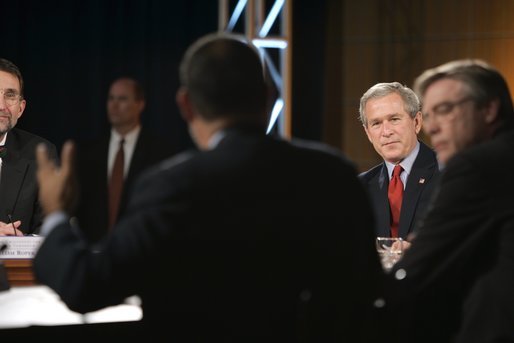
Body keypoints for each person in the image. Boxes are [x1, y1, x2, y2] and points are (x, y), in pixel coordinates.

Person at [32, 33, 385, 341]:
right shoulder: (334, 173)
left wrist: (56, 215)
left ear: (185, 104)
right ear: (268, 96)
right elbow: (367, 297)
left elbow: (86, 285)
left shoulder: (171, 185)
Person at [386, 59, 514, 343]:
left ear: (489, 109)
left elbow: (418, 270)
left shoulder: (478, 165)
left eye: (444, 111)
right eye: (429, 116)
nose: (433, 128)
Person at [74, 77, 177, 242]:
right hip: (95, 253)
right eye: (111, 98)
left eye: (122, 99)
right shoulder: (87, 153)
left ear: (140, 104)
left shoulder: (161, 153)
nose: (114, 105)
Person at [358, 82, 440, 240]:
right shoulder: (361, 187)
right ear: (368, 133)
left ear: (416, 122)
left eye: (394, 119)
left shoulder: (448, 171)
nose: (386, 132)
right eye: (376, 123)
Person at [0, 58, 57, 236]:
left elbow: (49, 229)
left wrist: (21, 243)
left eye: (10, 96)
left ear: (21, 108)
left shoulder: (41, 154)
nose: (1, 106)